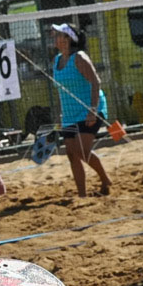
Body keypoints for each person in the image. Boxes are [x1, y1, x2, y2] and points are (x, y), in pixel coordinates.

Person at [50, 23, 113, 197]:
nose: (54, 36)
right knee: (72, 153)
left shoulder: (79, 57)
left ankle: (105, 179)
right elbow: (61, 91)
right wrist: (58, 115)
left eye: (58, 34)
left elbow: (96, 81)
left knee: (82, 150)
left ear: (67, 39)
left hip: (89, 108)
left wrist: (92, 110)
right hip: (69, 114)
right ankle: (82, 195)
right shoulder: (56, 60)